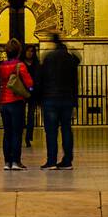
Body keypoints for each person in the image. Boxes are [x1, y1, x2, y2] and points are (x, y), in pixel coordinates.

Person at [37, 34, 81, 170]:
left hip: (50, 99)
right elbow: (75, 82)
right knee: (66, 129)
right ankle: (67, 160)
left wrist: (39, 98)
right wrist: (75, 102)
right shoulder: (70, 59)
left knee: (51, 132)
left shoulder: (48, 58)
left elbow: (41, 79)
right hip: (67, 99)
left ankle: (51, 161)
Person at [0, 38, 34, 171]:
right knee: (17, 132)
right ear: (19, 52)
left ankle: (7, 162)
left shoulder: (1, 66)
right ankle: (16, 161)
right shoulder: (20, 65)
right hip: (16, 102)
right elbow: (29, 83)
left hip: (3, 102)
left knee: (7, 132)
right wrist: (30, 91)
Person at [22, 42, 41, 147]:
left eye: (32, 51)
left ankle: (28, 136)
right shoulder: (21, 64)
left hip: (33, 93)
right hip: (22, 92)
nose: (30, 53)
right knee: (21, 116)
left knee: (30, 116)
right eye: (28, 51)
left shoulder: (36, 64)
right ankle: (23, 134)